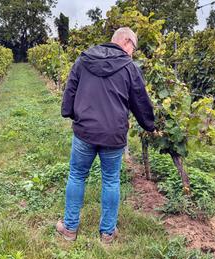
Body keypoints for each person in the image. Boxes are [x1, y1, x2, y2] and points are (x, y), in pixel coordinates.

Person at [56, 27, 155, 244]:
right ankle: (107, 233)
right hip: (114, 134)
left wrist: (71, 113)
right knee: (111, 180)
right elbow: (140, 99)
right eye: (134, 48)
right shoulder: (129, 67)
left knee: (77, 176)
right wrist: (150, 125)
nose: (133, 53)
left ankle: (70, 229)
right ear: (126, 41)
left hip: (85, 131)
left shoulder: (84, 59)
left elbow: (70, 89)